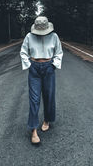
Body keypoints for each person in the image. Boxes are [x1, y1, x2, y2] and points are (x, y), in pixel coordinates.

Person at [20, 16, 63, 144]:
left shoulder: (54, 36)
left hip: (48, 67)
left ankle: (47, 119)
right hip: (34, 68)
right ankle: (33, 130)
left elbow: (59, 52)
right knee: (34, 99)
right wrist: (29, 65)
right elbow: (23, 52)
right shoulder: (29, 36)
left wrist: (53, 65)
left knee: (49, 96)